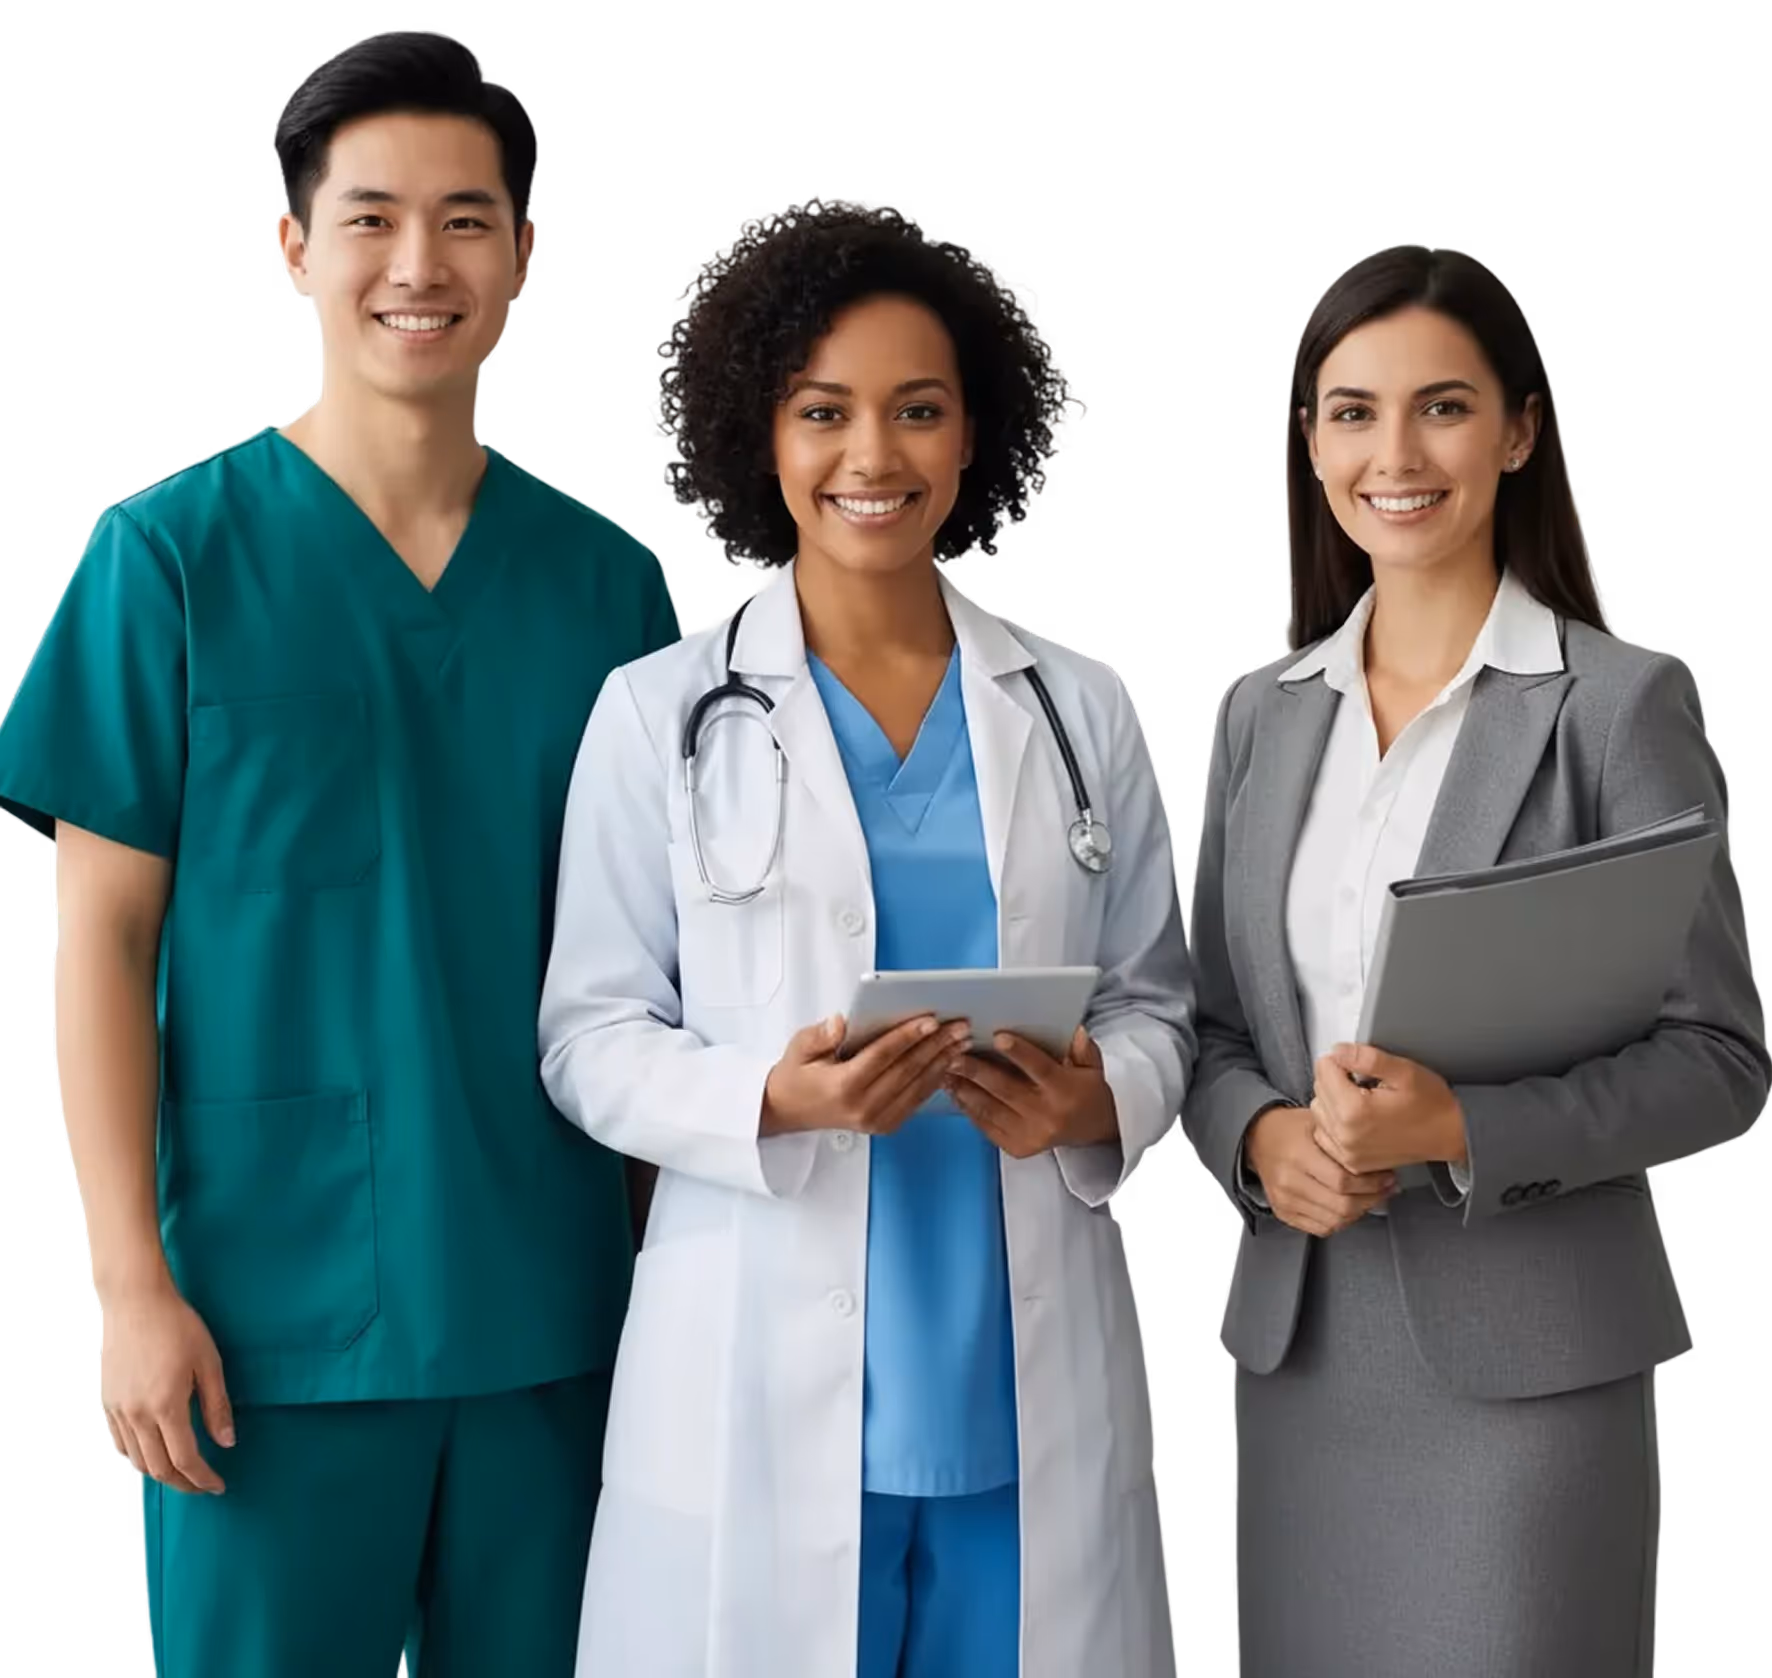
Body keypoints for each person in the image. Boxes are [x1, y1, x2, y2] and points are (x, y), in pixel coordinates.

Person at [0, 30, 678, 1678]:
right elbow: (100, 940)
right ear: (296, 251)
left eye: (464, 218)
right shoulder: (163, 556)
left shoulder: (608, 588)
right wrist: (125, 1287)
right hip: (261, 1320)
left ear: (524, 257)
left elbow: (665, 952)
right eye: (369, 219)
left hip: (558, 1304)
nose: (417, 264)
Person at [537, 197, 1194, 1678]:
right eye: (823, 412)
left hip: (1020, 1387)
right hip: (761, 1377)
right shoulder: (658, 711)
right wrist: (773, 1093)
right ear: (760, 438)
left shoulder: (1078, 705)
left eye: (917, 411)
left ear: (976, 436)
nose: (872, 458)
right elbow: (588, 1035)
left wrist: (1104, 1097)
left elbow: (1161, 998)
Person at [1180, 244, 1768, 1677]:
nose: (1396, 452)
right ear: (1312, 442)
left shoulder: (1621, 706)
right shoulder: (1260, 714)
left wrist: (1464, 1125)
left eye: (1442, 407)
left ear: (1518, 429)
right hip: (1304, 1356)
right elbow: (1203, 1029)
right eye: (1353, 410)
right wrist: (1258, 1137)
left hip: (1532, 1370)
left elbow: (1721, 1060)